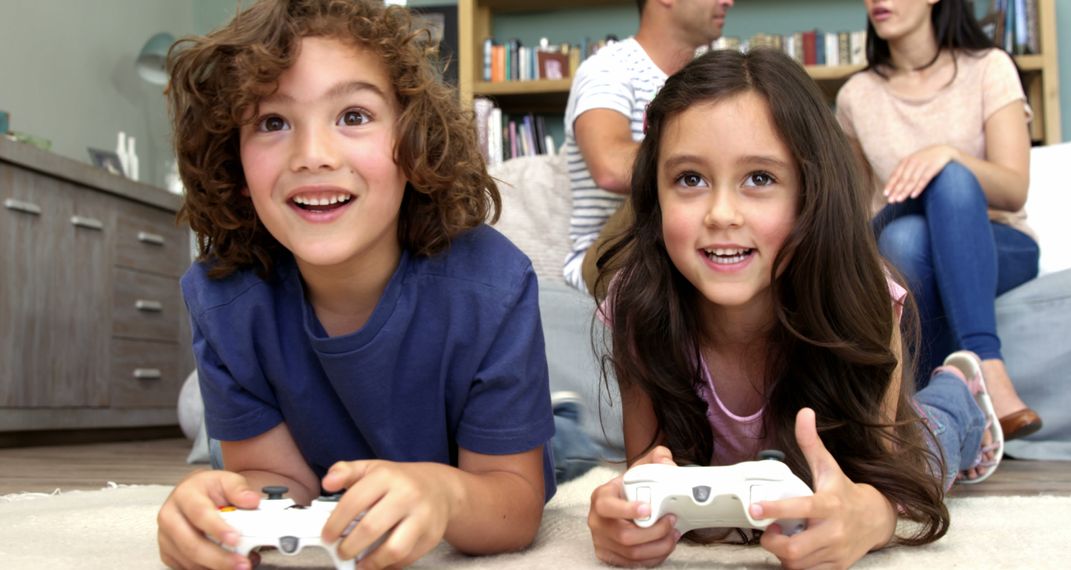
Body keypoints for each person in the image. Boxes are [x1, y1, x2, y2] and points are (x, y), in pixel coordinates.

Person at [155, 1, 557, 569]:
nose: (313, 156)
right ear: (235, 165)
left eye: (353, 116)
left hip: (486, 443)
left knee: (569, 435)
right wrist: (225, 508)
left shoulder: (493, 284)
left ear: (413, 145)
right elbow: (277, 481)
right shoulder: (222, 298)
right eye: (273, 122)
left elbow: (514, 505)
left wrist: (443, 494)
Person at [586, 49, 1003, 568]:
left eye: (759, 178)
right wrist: (622, 517)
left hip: (897, 434)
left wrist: (867, 517)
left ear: (811, 193)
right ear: (656, 192)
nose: (721, 214)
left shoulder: (862, 295)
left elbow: (883, 488)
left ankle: (962, 391)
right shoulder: (637, 304)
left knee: (933, 440)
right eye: (690, 178)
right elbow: (647, 476)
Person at [836, 0, 1042, 440]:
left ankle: (961, 383)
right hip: (891, 234)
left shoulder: (989, 68)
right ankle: (979, 384)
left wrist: (948, 156)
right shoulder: (857, 95)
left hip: (997, 240)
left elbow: (1013, 188)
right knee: (905, 237)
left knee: (943, 186)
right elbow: (854, 210)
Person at [563, 0, 735, 295]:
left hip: (691, 240)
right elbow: (609, 167)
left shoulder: (712, 79)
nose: (728, 2)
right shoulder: (609, 69)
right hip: (612, 255)